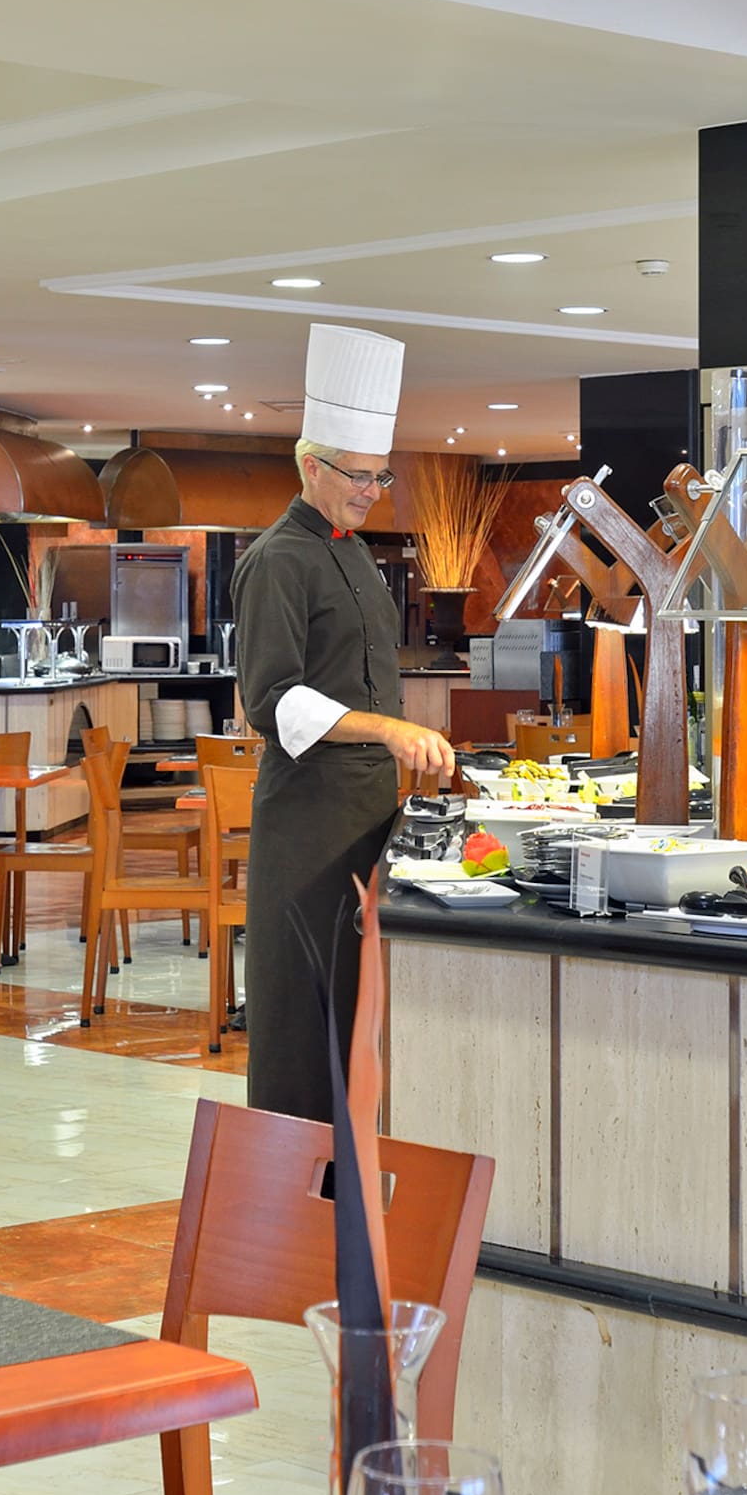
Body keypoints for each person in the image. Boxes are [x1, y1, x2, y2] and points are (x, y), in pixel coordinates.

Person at [232, 324, 454, 1121]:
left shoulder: (355, 553)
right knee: (302, 1005)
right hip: (305, 818)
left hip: (367, 813)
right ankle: (288, 1184)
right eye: (355, 476)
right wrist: (390, 731)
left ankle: (348, 1175)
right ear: (308, 466)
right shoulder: (276, 560)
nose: (368, 491)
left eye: (378, 476)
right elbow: (273, 700)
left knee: (355, 1001)